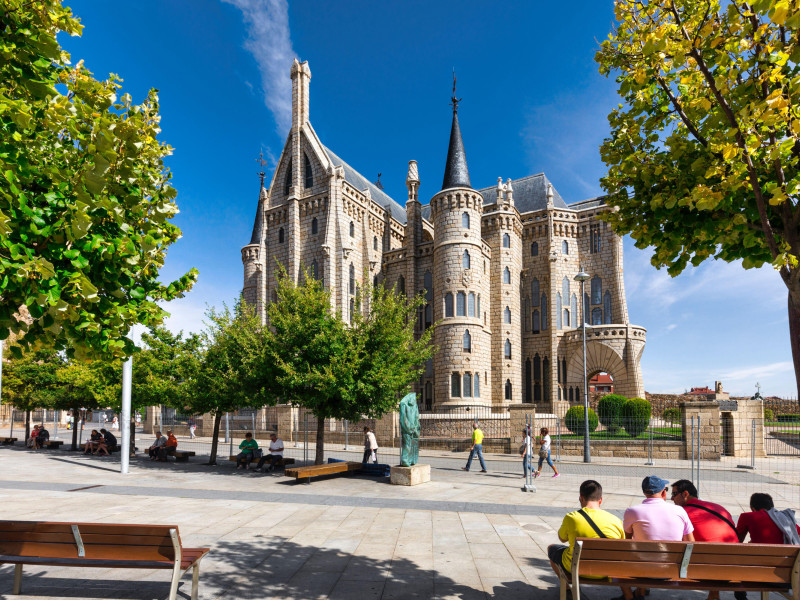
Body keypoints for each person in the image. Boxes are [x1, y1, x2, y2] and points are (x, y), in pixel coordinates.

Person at [617, 476, 694, 600]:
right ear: (663, 492)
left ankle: (630, 596)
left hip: (642, 569)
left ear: (644, 492)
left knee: (633, 553)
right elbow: (691, 542)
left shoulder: (632, 511)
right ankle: (639, 593)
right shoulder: (679, 511)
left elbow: (627, 541)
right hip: (672, 569)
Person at [671, 480, 737, 600]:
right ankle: (713, 596)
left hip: (707, 568)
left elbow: (674, 540)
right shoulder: (718, 507)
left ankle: (640, 591)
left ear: (685, 494)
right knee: (713, 552)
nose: (671, 498)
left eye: (674, 494)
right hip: (734, 567)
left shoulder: (683, 513)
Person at [547, 479, 624, 577]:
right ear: (600, 500)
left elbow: (562, 539)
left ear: (581, 498)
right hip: (606, 571)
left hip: (576, 568)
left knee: (552, 548)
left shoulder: (571, 517)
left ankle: (567, 588)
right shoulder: (616, 520)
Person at [734, 493, 800, 600]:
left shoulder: (747, 516)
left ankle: (740, 595)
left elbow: (736, 543)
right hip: (787, 577)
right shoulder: (784, 520)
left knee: (738, 556)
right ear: (772, 507)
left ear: (752, 508)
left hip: (756, 574)